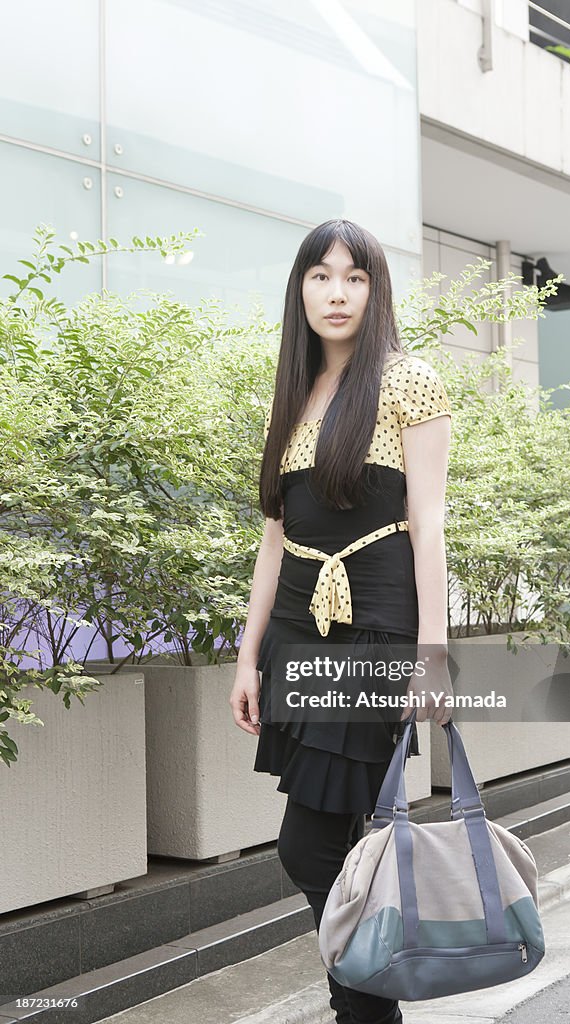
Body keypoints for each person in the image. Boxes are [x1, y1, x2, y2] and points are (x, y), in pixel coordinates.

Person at [230, 218, 453, 1024]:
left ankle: (366, 1009)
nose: (336, 292)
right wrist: (247, 654)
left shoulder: (407, 381)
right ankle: (362, 1006)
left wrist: (433, 653)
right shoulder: (289, 395)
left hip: (373, 631)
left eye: (353, 277)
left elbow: (427, 524)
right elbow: (274, 537)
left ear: (374, 289)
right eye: (321, 276)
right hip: (296, 631)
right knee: (347, 843)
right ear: (299, 288)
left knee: (310, 845)